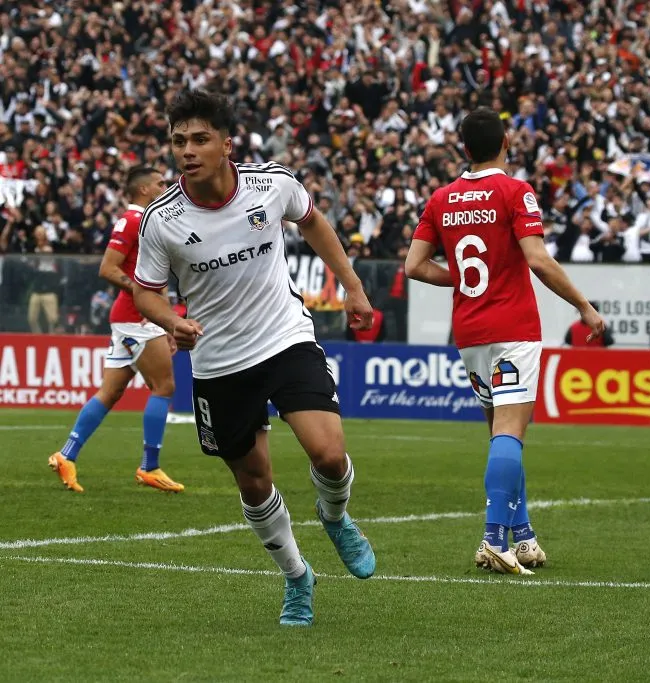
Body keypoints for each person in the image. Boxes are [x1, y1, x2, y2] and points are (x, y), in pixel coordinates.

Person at [131, 89, 376, 626]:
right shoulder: (162, 219)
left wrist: (353, 287)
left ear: (225, 143)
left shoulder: (272, 185)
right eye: (179, 141)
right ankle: (297, 579)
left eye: (199, 139)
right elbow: (144, 291)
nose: (187, 151)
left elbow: (313, 222)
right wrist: (172, 320)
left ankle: (335, 518)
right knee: (253, 481)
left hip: (284, 339)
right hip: (218, 362)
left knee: (329, 455)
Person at [405, 108, 604, 576]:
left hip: (470, 331)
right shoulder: (516, 192)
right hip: (513, 328)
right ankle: (494, 539)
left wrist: (460, 279)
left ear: (465, 148)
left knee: (502, 433)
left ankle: (525, 535)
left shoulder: (441, 198)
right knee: (511, 432)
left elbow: (413, 266)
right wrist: (584, 305)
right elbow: (537, 259)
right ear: (507, 141)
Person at [47, 166, 184, 494]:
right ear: (143, 191)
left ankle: (67, 455)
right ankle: (149, 466)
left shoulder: (149, 220)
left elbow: (152, 278)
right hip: (135, 318)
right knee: (164, 386)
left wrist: (164, 321)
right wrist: (142, 296)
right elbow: (107, 268)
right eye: (159, 183)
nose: (165, 187)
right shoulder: (133, 220)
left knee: (111, 392)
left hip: (136, 317)